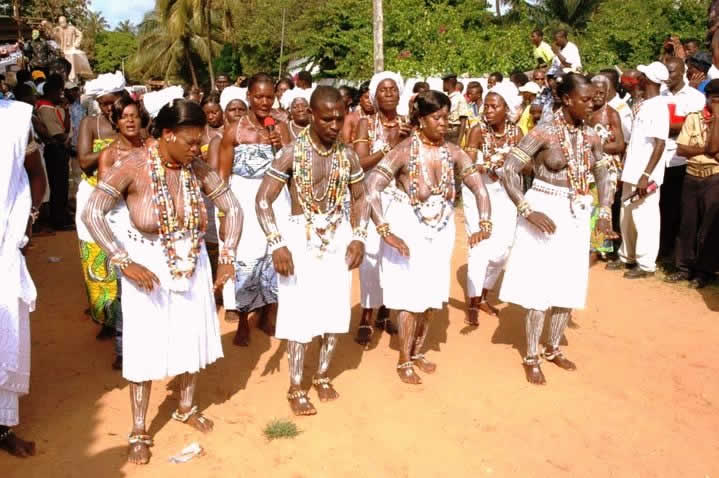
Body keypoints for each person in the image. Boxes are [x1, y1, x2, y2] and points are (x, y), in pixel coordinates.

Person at [83, 99, 242, 465]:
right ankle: (139, 428)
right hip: (147, 268)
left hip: (192, 262)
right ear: (167, 134)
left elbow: (232, 208)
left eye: (199, 142)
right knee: (144, 347)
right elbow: (93, 212)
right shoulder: (133, 166)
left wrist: (228, 257)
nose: (196, 149)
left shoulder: (197, 168)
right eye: (188, 142)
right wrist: (124, 261)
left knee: (190, 336)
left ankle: (185, 406)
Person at [255, 86, 369, 415]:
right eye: (327, 119)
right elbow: (263, 199)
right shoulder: (291, 153)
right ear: (312, 117)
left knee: (334, 311)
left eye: (340, 118)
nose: (335, 125)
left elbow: (360, 198)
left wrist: (359, 236)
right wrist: (277, 243)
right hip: (298, 235)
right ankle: (295, 386)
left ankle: (321, 376)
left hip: (337, 235)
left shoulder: (347, 155)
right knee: (298, 314)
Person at [364, 90, 491, 384]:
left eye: (446, 117)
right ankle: (404, 359)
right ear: (421, 119)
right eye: (437, 117)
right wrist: (385, 230)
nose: (444, 123)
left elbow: (479, 188)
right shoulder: (402, 151)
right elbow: (371, 187)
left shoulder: (453, 152)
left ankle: (418, 351)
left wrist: (484, 222)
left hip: (442, 229)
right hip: (409, 228)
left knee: (433, 295)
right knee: (411, 297)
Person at [499, 73, 612, 385]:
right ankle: (531, 354)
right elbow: (509, 168)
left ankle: (552, 347)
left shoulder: (591, 135)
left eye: (594, 99)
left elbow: (603, 173)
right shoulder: (544, 131)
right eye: (585, 99)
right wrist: (527, 210)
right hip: (543, 209)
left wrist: (604, 211)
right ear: (566, 99)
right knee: (540, 283)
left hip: (577, 211)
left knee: (569, 282)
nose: (592, 104)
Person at [218, 73, 292, 346]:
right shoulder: (235, 130)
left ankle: (269, 312)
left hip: (275, 197)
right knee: (246, 257)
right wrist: (225, 214)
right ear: (248, 96)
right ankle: (245, 317)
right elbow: (222, 178)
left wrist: (281, 147)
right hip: (244, 198)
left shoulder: (280, 127)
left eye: (269, 97)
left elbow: (292, 167)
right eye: (258, 96)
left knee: (276, 253)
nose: (264, 102)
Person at [0, 97, 47, 459]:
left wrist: (27, 222)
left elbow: (35, 173)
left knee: (5, 337)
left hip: (4, 246)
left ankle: (2, 428)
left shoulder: (16, 119)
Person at [352, 71, 412, 347]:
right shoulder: (366, 124)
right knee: (371, 256)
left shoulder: (409, 124)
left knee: (395, 255)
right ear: (375, 96)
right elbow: (361, 163)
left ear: (399, 95)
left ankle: (388, 310)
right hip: (370, 194)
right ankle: (367, 314)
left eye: (393, 89)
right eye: (382, 90)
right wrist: (391, 145)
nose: (388, 93)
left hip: (400, 196)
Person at [95, 94, 151, 370]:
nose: (129, 120)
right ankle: (123, 348)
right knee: (125, 289)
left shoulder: (152, 146)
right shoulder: (109, 154)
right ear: (115, 121)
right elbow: (103, 199)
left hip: (150, 223)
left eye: (134, 115)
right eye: (123, 116)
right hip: (121, 224)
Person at [463, 84, 523, 326]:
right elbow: (466, 165)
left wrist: (508, 163)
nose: (487, 110)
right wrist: (486, 166)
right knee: (480, 247)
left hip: (506, 193)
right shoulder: (477, 131)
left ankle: (485, 294)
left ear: (506, 109)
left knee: (502, 251)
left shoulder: (517, 133)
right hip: (478, 193)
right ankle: (473, 303)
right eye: (486, 105)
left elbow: (527, 166)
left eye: (493, 106)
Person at [608, 62, 670, 278]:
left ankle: (646, 265)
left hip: (645, 174)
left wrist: (646, 176)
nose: (638, 78)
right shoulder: (646, 103)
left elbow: (660, 144)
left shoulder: (659, 106)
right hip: (632, 171)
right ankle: (627, 256)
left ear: (649, 79)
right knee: (627, 215)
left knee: (645, 218)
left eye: (642, 75)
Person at [76, 72, 126, 341]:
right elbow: (84, 161)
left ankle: (125, 323)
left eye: (112, 102)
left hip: (124, 201)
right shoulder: (89, 124)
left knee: (125, 258)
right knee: (97, 260)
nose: (109, 108)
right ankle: (106, 319)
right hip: (93, 198)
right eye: (104, 103)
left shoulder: (133, 122)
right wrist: (117, 146)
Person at [665, 79, 719, 288]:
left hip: (713, 176)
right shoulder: (694, 118)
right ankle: (684, 267)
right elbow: (682, 150)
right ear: (706, 98)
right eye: (713, 99)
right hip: (692, 174)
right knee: (687, 224)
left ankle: (704, 271)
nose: (715, 103)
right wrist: (707, 149)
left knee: (708, 226)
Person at [658, 57, 705, 260]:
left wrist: (666, 126)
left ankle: (674, 253)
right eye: (666, 72)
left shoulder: (695, 98)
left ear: (683, 72)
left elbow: (693, 126)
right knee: (661, 207)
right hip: (660, 158)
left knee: (679, 208)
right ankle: (661, 248)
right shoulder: (659, 94)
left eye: (672, 72)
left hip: (681, 159)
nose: (668, 77)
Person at [588, 75, 625, 258]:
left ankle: (600, 246)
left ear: (608, 92)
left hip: (606, 167)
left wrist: (595, 147)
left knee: (602, 204)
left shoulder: (611, 114)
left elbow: (619, 145)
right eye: (594, 92)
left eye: (602, 92)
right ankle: (589, 243)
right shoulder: (585, 111)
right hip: (587, 167)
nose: (597, 96)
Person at [35, 73, 72, 231]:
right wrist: (65, 139)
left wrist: (66, 111)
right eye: (59, 92)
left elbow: (66, 127)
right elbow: (58, 133)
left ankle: (62, 215)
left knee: (62, 185)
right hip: (55, 149)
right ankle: (57, 219)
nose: (61, 95)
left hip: (61, 148)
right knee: (58, 185)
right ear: (52, 92)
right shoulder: (44, 108)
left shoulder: (56, 107)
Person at [442, 73, 470, 144]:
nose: (443, 86)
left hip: (453, 133)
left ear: (448, 83)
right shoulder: (446, 98)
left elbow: (463, 121)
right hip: (445, 131)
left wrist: (459, 142)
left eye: (444, 83)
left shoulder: (459, 98)